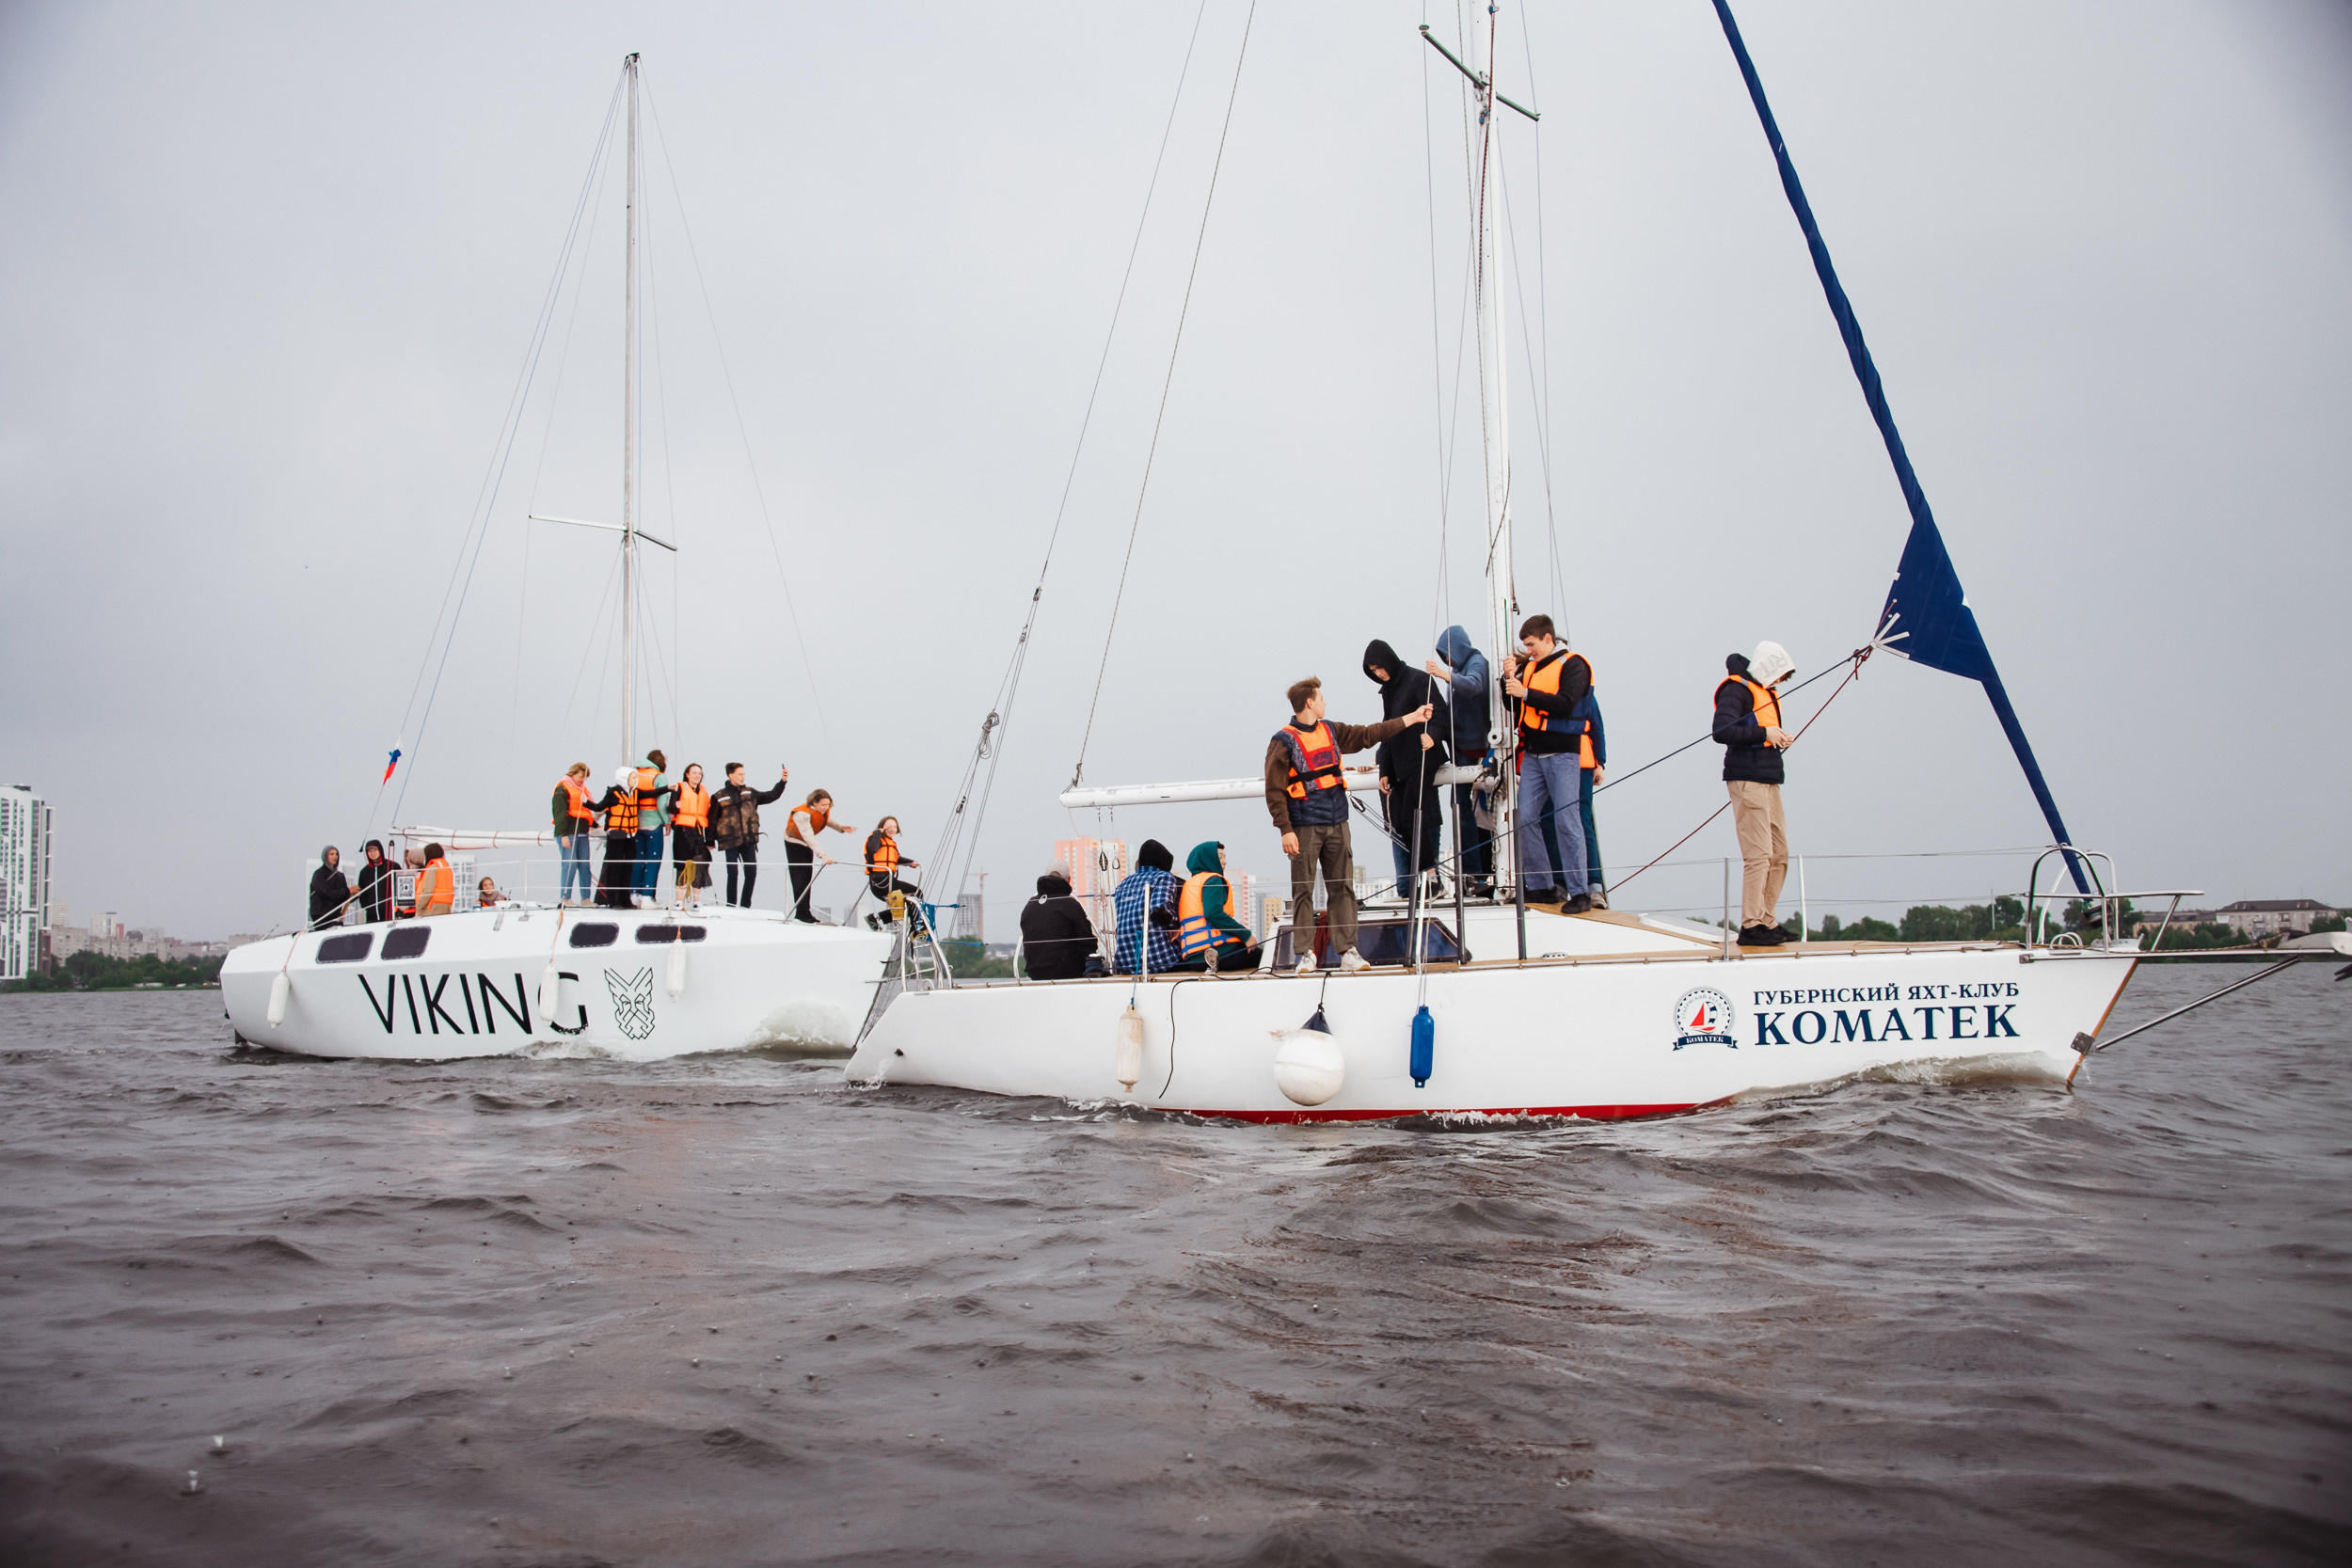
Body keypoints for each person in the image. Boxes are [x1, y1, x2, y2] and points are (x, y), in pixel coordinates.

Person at [1264, 675, 1429, 974]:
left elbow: (1370, 734)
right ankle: (1305, 953)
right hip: (1303, 825)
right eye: (1322, 698)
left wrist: (1413, 718)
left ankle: (1348, 951)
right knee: (1303, 890)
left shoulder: (1332, 730)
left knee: (1342, 889)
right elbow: (1274, 789)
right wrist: (1284, 828)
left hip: (1337, 821)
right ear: (1310, 703)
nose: (1326, 703)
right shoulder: (1283, 741)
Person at [1502, 614, 1595, 914]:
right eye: (1525, 645)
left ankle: (1581, 891)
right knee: (1525, 817)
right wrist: (1510, 682)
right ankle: (1542, 885)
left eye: (1531, 644)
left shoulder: (1574, 664)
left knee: (1567, 820)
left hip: (1564, 753)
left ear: (1547, 639)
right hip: (1533, 753)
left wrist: (1525, 691)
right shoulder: (1528, 668)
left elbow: (1566, 702)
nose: (1528, 650)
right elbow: (1515, 707)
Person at [1714, 641, 1796, 946]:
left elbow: (1760, 731)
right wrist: (1765, 735)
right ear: (1766, 669)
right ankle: (1751, 925)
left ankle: (1766, 920)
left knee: (1779, 853)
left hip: (1768, 779)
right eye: (1778, 676)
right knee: (1759, 854)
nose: (1779, 683)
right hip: (1747, 781)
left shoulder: (1763, 692)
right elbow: (1721, 730)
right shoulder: (1736, 690)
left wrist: (1777, 739)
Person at [1364, 639, 1449, 899]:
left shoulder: (1419, 680)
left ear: (1389, 660)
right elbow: (1388, 732)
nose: (1379, 673)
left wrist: (1432, 736)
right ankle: (1420, 881)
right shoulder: (1388, 692)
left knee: (1415, 816)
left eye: (1380, 667)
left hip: (1423, 758)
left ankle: (1433, 879)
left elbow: (1441, 714)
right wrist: (1384, 771)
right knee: (1399, 822)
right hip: (1400, 764)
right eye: (1373, 670)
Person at [1427, 626, 1494, 890]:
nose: (1448, 661)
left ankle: (1477, 871)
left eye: (1448, 655)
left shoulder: (1477, 663)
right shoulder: (1457, 671)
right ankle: (1472, 872)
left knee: (1470, 808)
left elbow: (1475, 686)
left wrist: (1443, 675)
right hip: (1458, 746)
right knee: (1460, 807)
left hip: (1473, 747)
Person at [1174, 841, 1262, 974]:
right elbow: (1213, 913)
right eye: (1220, 857)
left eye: (1225, 857)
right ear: (1208, 860)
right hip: (1217, 952)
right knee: (1268, 957)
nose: (1225, 862)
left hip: (1193, 958)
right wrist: (1246, 935)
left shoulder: (1189, 885)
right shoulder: (1213, 880)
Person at [710, 763, 791, 908]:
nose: (743, 777)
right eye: (740, 774)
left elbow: (771, 795)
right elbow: (712, 819)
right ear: (731, 776)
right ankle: (730, 905)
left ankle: (745, 906)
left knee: (751, 873)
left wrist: (782, 782)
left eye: (743, 774)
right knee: (733, 873)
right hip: (729, 841)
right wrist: (709, 840)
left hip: (749, 840)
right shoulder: (719, 796)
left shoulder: (751, 793)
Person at [783, 790, 857, 925]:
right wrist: (823, 855)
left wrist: (841, 827)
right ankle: (800, 914)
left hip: (805, 844)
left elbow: (826, 820)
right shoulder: (802, 814)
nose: (825, 807)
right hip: (794, 843)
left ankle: (806, 912)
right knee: (799, 878)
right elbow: (808, 836)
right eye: (823, 805)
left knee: (807, 877)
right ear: (814, 803)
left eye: (828, 805)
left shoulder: (822, 811)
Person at [1111, 838, 1184, 975]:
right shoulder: (1163, 877)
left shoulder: (1122, 884)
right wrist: (1175, 925)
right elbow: (1159, 910)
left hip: (1126, 963)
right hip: (1159, 960)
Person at [1019, 866, 1096, 980]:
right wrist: (1094, 966)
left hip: (1034, 973)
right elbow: (1087, 942)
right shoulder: (1070, 904)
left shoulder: (1030, 905)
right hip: (1068, 972)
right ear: (1069, 879)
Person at [1576, 691, 1609, 909]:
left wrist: (1600, 762)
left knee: (1583, 821)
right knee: (1549, 824)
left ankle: (1593, 886)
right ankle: (1557, 883)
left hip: (1583, 763)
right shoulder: (1532, 677)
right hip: (1543, 763)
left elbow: (1596, 724)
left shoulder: (1581, 683)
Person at [863, 816, 926, 930]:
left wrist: (911, 862)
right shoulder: (875, 838)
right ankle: (917, 926)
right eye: (889, 826)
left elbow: (897, 858)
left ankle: (876, 918)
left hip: (889, 880)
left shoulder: (891, 844)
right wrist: (877, 832)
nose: (892, 829)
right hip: (880, 882)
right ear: (882, 828)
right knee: (917, 893)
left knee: (910, 902)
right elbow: (872, 849)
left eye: (895, 827)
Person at [551, 763, 597, 905]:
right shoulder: (562, 789)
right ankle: (565, 897)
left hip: (583, 832)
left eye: (584, 777)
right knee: (569, 865)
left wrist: (596, 825)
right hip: (569, 832)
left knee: (584, 865)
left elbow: (586, 811)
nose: (582, 780)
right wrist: (563, 834)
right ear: (573, 774)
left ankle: (586, 898)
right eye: (580, 776)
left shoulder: (583, 791)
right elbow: (559, 813)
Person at [628, 750, 670, 903]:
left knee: (638, 859)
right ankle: (647, 896)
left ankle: (634, 895)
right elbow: (661, 802)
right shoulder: (659, 776)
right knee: (653, 860)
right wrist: (667, 821)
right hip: (653, 822)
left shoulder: (634, 774)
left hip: (636, 823)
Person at [669, 763, 714, 907]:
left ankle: (696, 901)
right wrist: (677, 806)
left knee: (699, 865)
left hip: (698, 832)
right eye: (694, 773)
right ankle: (679, 901)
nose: (697, 776)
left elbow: (709, 815)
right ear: (687, 775)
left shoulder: (703, 791)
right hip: (683, 832)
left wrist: (710, 839)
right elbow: (671, 807)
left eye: (699, 774)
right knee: (683, 865)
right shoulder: (680, 788)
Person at [308, 847, 350, 931]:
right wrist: (347, 891)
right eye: (332, 854)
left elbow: (344, 897)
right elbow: (326, 893)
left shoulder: (340, 876)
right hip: (321, 915)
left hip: (335, 915)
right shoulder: (319, 874)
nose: (335, 857)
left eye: (336, 854)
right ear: (325, 856)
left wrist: (352, 894)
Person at [356, 840, 396, 924]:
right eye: (369, 851)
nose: (372, 853)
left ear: (380, 850)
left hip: (391, 915)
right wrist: (367, 907)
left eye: (375, 850)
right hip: (371, 918)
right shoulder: (364, 872)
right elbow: (362, 894)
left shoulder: (392, 866)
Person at [414, 843, 455, 917]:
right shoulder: (446, 867)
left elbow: (428, 890)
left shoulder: (433, 867)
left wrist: (418, 906)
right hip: (446, 906)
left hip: (432, 907)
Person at [396, 847, 426, 919]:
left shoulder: (423, 873)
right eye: (406, 856)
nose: (407, 858)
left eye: (409, 856)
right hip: (403, 911)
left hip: (416, 911)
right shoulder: (404, 872)